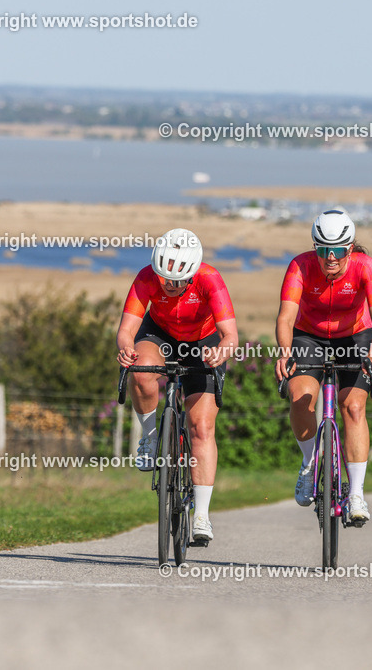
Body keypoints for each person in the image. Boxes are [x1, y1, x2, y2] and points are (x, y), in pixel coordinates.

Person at [116, 228, 238, 543]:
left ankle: (201, 516)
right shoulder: (146, 278)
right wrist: (127, 347)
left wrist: (219, 352)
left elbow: (230, 336)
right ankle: (151, 437)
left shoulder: (210, 279)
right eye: (163, 279)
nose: (169, 287)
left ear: (192, 274)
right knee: (141, 371)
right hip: (160, 333)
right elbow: (127, 328)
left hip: (204, 340)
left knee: (200, 427)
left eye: (177, 282)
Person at [275, 210, 372, 525]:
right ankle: (310, 464)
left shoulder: (366, 267)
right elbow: (285, 317)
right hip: (309, 335)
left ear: (350, 248)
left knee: (353, 407)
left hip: (355, 335)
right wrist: (285, 353)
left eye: (338, 250)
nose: (330, 257)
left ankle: (356, 494)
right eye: (323, 249)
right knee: (300, 397)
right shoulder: (300, 266)